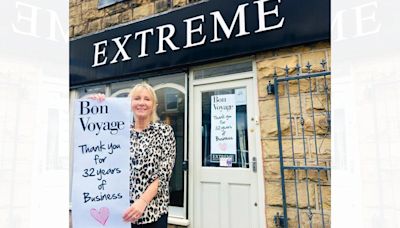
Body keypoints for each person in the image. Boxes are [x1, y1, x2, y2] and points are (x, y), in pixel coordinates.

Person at [91, 82, 176, 228]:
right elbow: (97, 147)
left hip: (154, 212)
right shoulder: (118, 131)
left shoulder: (164, 132)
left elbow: (164, 174)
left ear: (154, 105)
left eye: (147, 99)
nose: (142, 102)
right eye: (137, 98)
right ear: (130, 103)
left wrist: (142, 202)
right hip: (122, 213)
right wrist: (98, 106)